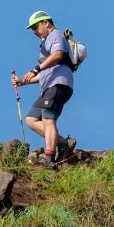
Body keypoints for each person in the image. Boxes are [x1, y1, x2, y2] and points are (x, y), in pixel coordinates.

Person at [12, 10, 76, 169]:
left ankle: (49, 159)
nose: (34, 31)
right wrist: (23, 82)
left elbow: (58, 55)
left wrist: (35, 69)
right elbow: (45, 74)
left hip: (58, 83)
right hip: (49, 85)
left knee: (48, 119)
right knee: (31, 119)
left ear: (46, 23)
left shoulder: (56, 35)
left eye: (36, 27)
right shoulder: (47, 42)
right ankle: (63, 143)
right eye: (32, 29)